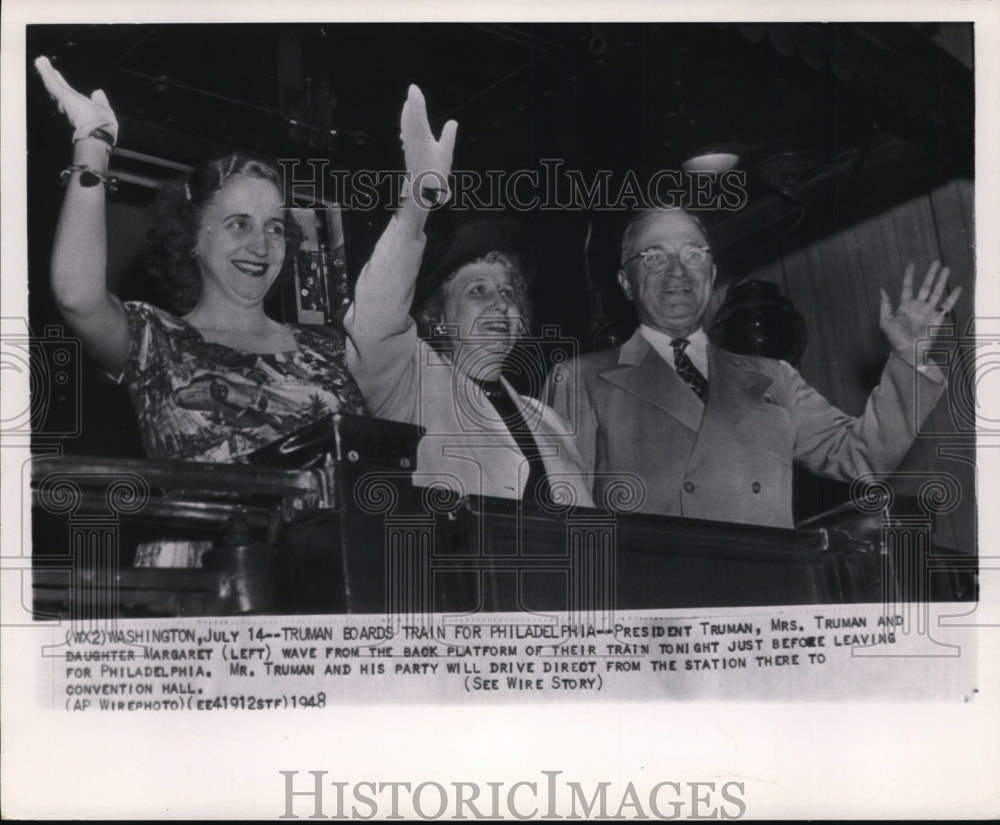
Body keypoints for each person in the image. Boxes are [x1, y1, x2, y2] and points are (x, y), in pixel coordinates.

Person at [36, 57, 371, 564]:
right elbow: (77, 296)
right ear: (193, 238)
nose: (261, 244)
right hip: (201, 585)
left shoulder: (327, 353)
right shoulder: (154, 339)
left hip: (322, 579)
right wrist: (94, 142)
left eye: (275, 226)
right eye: (238, 224)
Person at [545, 207, 961, 528]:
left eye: (693, 254)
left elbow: (863, 459)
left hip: (770, 593)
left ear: (711, 272)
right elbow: (564, 519)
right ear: (625, 281)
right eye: (654, 256)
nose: (677, 270)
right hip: (656, 610)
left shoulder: (774, 376)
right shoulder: (580, 379)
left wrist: (910, 356)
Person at [342, 91, 593, 507]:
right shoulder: (410, 383)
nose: (501, 303)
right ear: (437, 314)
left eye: (509, 292)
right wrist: (417, 202)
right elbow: (374, 319)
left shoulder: (550, 420)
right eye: (478, 290)